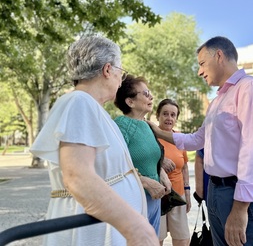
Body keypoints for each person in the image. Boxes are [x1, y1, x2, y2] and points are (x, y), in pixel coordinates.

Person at [30, 36, 159, 245]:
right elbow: (78, 177)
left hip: (101, 226)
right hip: (92, 230)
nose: (120, 79)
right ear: (108, 70)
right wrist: (135, 227)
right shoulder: (79, 102)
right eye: (121, 71)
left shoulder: (89, 105)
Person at [148, 36, 253, 246]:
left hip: (239, 197)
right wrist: (157, 132)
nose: (199, 71)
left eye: (201, 64)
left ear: (219, 56)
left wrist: (240, 208)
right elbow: (197, 139)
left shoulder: (250, 88)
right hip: (216, 192)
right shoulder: (217, 101)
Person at [114, 75, 172, 237]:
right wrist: (146, 183)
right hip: (134, 200)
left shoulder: (146, 126)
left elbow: (153, 157)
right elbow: (115, 167)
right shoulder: (121, 125)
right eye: (145, 93)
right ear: (130, 102)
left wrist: (161, 173)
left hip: (154, 199)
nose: (151, 97)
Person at [156, 99, 191, 246]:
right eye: (165, 114)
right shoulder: (150, 136)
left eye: (173, 115)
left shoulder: (179, 139)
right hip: (157, 196)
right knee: (156, 239)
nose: (169, 118)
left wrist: (187, 194)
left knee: (182, 239)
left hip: (178, 195)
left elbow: (184, 167)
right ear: (157, 116)